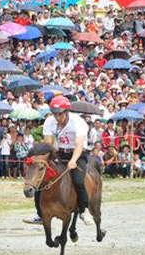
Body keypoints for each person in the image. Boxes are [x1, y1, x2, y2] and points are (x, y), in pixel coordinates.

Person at [23, 96, 93, 226]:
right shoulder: (50, 121)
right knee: (42, 179)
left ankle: (84, 210)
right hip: (60, 152)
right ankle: (40, 214)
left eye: (60, 114)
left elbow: (79, 144)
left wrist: (73, 161)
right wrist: (44, 159)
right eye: (55, 114)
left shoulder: (78, 122)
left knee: (78, 180)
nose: (57, 117)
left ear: (67, 111)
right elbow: (48, 144)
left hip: (77, 153)